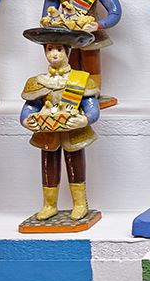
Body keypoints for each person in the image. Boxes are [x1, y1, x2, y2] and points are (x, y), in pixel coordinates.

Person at [20, 27, 102, 224]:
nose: (54, 54)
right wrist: (26, 120)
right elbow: (30, 106)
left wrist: (84, 120)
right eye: (49, 49)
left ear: (67, 51)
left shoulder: (81, 79)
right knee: (49, 166)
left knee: (76, 165)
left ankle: (80, 203)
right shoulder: (38, 81)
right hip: (47, 132)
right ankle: (49, 205)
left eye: (58, 49)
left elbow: (92, 108)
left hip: (74, 132)